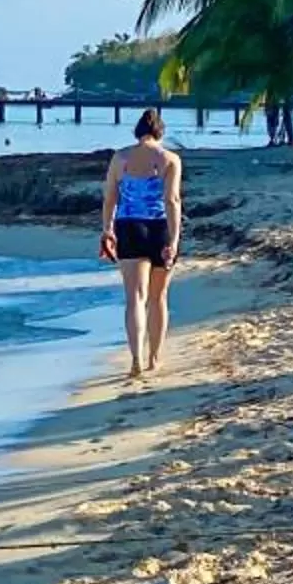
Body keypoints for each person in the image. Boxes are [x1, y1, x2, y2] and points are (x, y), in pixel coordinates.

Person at [100, 106, 183, 379]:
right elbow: (172, 201)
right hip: (159, 228)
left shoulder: (120, 158)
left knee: (135, 298)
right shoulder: (170, 159)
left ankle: (135, 358)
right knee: (159, 297)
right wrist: (174, 238)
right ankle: (154, 358)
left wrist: (107, 230)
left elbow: (110, 197)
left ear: (137, 132)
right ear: (160, 132)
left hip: (128, 227)